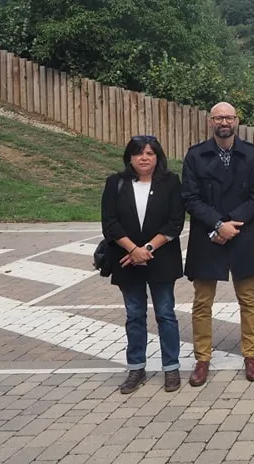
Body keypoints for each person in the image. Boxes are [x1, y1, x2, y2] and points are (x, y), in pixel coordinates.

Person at [181, 102, 254, 387]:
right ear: (210, 122)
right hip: (209, 235)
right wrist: (219, 225)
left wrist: (231, 224)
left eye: (229, 117)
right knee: (202, 302)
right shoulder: (195, 155)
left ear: (237, 121)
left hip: (243, 234)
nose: (224, 122)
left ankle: (251, 355)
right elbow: (190, 198)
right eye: (219, 117)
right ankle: (202, 359)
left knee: (248, 299)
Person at [101, 135, 185, 394]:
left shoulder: (170, 183)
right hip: (127, 259)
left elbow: (175, 222)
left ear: (158, 156)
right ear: (130, 157)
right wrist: (133, 250)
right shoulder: (116, 183)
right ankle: (136, 367)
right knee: (135, 316)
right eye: (138, 153)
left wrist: (147, 249)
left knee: (166, 315)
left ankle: (171, 368)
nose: (144, 157)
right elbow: (110, 223)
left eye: (150, 153)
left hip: (161, 258)